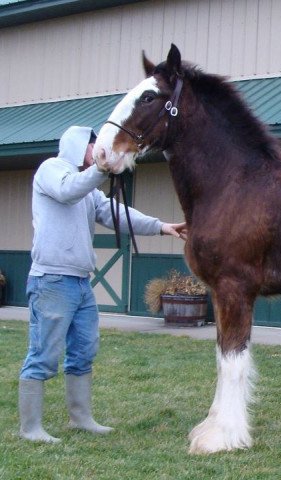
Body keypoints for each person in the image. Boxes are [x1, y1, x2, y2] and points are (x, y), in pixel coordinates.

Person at [19, 125, 187, 443]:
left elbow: (117, 214)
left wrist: (162, 226)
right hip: (51, 280)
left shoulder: (89, 187)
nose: (101, 148)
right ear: (77, 145)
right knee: (43, 353)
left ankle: (80, 419)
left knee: (84, 350)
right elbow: (69, 190)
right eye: (93, 143)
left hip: (80, 283)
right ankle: (31, 428)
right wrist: (98, 168)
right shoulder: (52, 171)